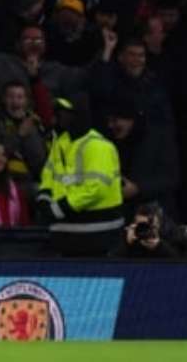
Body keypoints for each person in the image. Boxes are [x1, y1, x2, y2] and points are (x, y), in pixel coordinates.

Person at [36, 95, 124, 257]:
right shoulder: (60, 143)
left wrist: (59, 207)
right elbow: (49, 174)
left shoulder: (97, 145)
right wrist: (44, 196)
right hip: (66, 237)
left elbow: (97, 189)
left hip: (98, 235)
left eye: (62, 114)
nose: (56, 119)